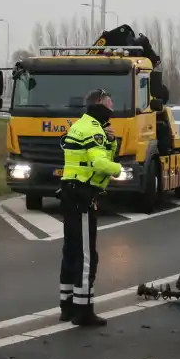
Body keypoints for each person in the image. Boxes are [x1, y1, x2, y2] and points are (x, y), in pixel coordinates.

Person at [57, 88, 122, 327]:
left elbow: (97, 152)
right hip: (83, 194)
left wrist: (111, 142)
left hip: (70, 192)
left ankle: (67, 305)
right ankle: (83, 311)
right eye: (109, 103)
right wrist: (119, 169)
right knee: (86, 256)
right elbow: (100, 163)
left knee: (71, 251)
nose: (112, 109)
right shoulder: (94, 129)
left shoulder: (80, 125)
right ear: (99, 103)